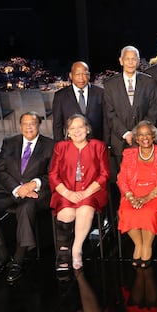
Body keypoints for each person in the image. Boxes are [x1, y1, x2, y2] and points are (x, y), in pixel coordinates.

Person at [0, 111, 55, 282]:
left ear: (39, 125)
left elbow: (52, 174)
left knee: (25, 208)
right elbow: (0, 170)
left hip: (36, 191)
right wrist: (16, 188)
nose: (28, 127)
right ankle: (2, 256)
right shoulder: (10, 143)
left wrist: (32, 184)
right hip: (8, 188)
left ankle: (18, 261)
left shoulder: (50, 145)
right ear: (20, 126)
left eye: (32, 123)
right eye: (25, 124)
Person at [49, 114, 110, 271]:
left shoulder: (99, 146)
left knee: (84, 210)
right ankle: (63, 250)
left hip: (92, 190)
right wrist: (67, 193)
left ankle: (76, 249)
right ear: (67, 132)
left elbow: (104, 174)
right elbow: (53, 174)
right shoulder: (60, 147)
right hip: (66, 190)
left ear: (87, 129)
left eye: (80, 127)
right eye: (72, 128)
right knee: (67, 213)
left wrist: (87, 192)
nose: (77, 131)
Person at [117, 120, 157, 267]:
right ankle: (138, 244)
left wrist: (149, 196)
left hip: (156, 191)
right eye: (141, 135)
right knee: (127, 211)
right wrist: (129, 196)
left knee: (147, 211)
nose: (145, 137)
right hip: (133, 191)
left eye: (148, 134)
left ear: (154, 136)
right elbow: (121, 178)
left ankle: (147, 246)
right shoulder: (128, 153)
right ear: (136, 138)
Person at [103, 45, 157, 164]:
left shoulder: (149, 82)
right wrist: (125, 133)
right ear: (121, 61)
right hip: (119, 141)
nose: (130, 62)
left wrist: (138, 133)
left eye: (134, 59)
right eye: (127, 59)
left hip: (144, 141)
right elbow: (109, 113)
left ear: (138, 61)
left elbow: (152, 111)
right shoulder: (109, 84)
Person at [52, 61, 104, 141]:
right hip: (71, 144)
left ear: (89, 75)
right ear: (71, 76)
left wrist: (107, 143)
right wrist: (59, 145)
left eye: (84, 74)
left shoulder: (100, 93)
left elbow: (106, 121)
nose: (81, 78)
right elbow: (57, 125)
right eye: (77, 74)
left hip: (96, 142)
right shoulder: (60, 96)